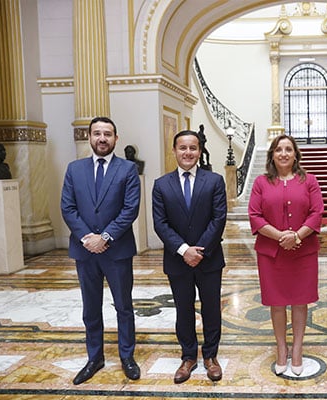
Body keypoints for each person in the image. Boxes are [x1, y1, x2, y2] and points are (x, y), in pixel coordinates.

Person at [60, 116, 141, 384]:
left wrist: (104, 237)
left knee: (124, 306)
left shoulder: (128, 169)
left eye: (107, 134)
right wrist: (87, 238)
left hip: (117, 251)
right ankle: (95, 358)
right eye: (97, 133)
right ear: (89, 137)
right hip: (85, 251)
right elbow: (68, 208)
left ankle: (127, 356)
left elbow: (130, 209)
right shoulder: (74, 169)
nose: (102, 138)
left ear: (116, 138)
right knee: (90, 308)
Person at [152, 130, 227, 383]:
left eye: (193, 148)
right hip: (177, 260)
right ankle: (188, 357)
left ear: (199, 151)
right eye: (182, 148)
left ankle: (211, 356)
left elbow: (218, 219)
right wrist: (184, 250)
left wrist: (199, 250)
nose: (188, 153)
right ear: (174, 150)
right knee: (183, 309)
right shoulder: (161, 185)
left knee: (211, 308)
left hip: (209, 258)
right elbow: (160, 223)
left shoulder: (214, 181)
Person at [248, 134, 324, 376]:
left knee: (301, 302)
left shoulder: (309, 181)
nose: (283, 153)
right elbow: (254, 215)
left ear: (295, 154)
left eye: (288, 149)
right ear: (272, 154)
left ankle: (297, 349)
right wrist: (281, 236)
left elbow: (317, 212)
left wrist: (297, 236)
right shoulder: (261, 182)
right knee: (277, 303)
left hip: (303, 253)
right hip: (271, 254)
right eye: (278, 149)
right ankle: (282, 348)